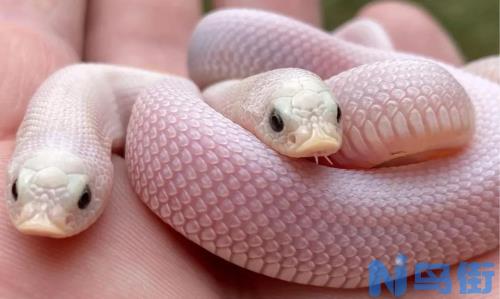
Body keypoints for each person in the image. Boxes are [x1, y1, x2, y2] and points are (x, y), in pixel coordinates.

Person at [0, 1, 497, 298]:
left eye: (335, 119)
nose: (316, 145)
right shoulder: (169, 107)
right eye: (84, 197)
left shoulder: (197, 105)